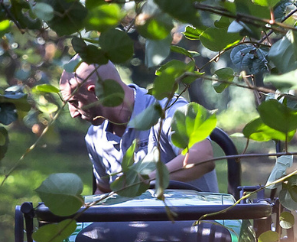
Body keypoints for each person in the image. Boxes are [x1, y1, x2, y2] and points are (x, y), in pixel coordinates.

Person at [58, 60, 218, 193]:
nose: (73, 113)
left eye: (74, 102)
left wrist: (142, 181)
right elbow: (104, 192)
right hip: (132, 229)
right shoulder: (95, 136)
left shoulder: (168, 109)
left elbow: (202, 157)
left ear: (95, 91)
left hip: (194, 223)